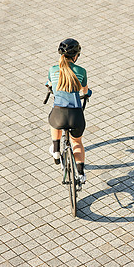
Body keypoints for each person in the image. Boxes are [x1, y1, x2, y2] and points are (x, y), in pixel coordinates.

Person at [47, 38, 89, 183]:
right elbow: (85, 90)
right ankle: (81, 174)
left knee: (55, 121)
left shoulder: (53, 70)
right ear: (76, 56)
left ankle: (57, 149)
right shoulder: (81, 71)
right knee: (77, 142)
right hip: (76, 116)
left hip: (59, 115)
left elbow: (50, 84)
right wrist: (87, 94)